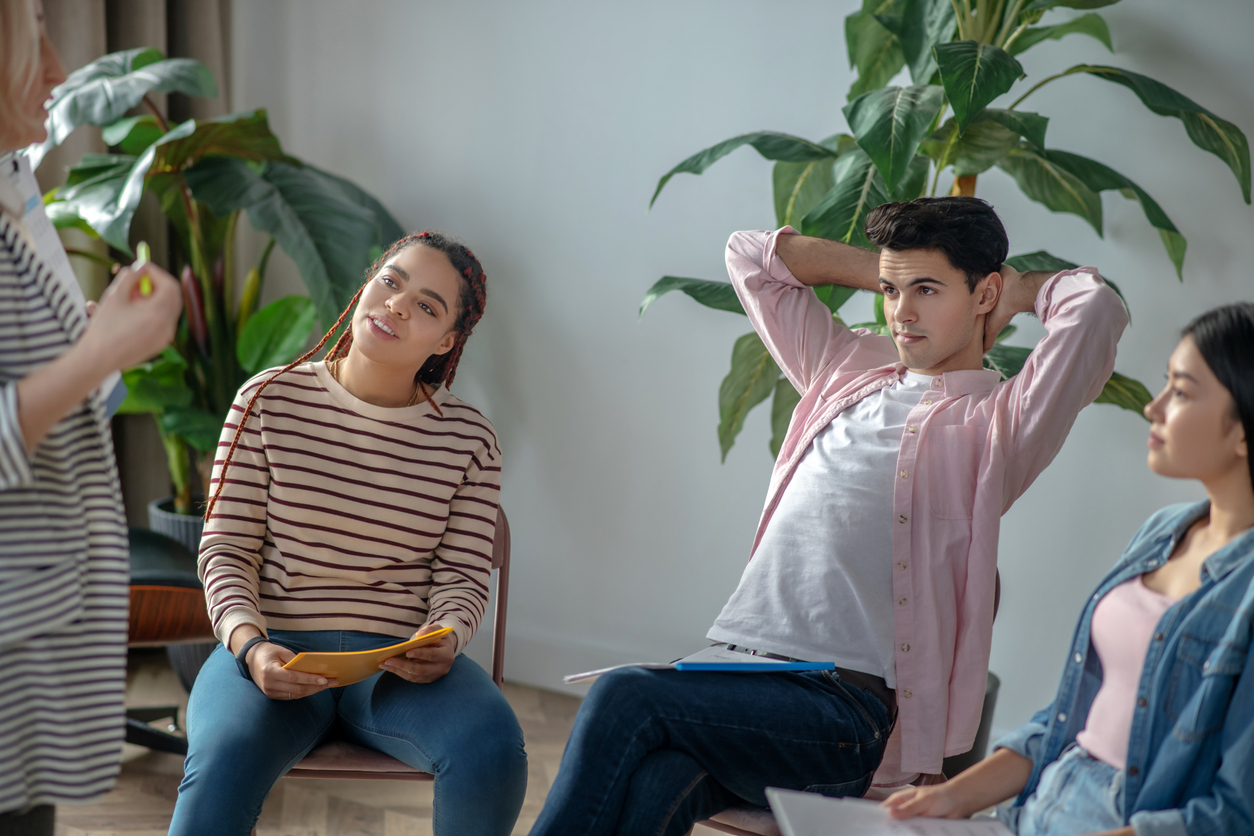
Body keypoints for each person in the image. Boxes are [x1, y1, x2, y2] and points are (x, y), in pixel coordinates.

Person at [530, 197, 1129, 836]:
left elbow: (1096, 311)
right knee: (659, 779)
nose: (902, 311)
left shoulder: (997, 427)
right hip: (739, 676)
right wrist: (891, 269)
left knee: (623, 696)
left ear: (982, 293)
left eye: (927, 290)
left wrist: (1017, 292)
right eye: (892, 291)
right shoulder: (843, 367)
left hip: (838, 716)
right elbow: (751, 257)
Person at [166, 231, 527, 836]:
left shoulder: (470, 440)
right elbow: (226, 550)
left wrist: (445, 635)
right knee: (222, 761)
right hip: (270, 652)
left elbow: (463, 575)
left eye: (427, 306)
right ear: (366, 287)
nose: (397, 305)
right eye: (390, 282)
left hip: (400, 667)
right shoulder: (266, 401)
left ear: (447, 341)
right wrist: (251, 647)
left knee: (493, 754)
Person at [884, 303, 1254, 836]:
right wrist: (948, 799)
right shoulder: (1163, 532)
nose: (1154, 408)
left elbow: (1235, 815)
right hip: (1044, 802)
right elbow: (1072, 720)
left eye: (1182, 391)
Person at [0, 1, 184, 832]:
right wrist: (98, 353)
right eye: (29, 37)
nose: (54, 67)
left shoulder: (13, 188)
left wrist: (105, 342)